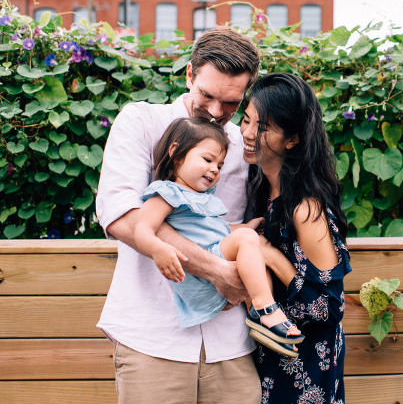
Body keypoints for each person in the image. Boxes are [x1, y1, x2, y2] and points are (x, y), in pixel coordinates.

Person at [96, 27, 262, 404]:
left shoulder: (241, 145)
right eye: (207, 95)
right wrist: (218, 271)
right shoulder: (141, 122)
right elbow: (120, 214)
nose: (217, 112)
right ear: (189, 74)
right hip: (154, 337)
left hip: (231, 343)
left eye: (232, 103)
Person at [134, 116, 304, 357]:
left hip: (214, 263)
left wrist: (244, 227)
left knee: (253, 248)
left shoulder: (199, 197)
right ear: (176, 153)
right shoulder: (166, 192)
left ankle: (261, 315)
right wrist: (157, 249)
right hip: (200, 276)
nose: (214, 169)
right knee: (247, 240)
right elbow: (141, 228)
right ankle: (266, 309)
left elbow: (214, 231)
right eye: (207, 160)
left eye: (220, 165)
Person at [240, 73, 351, 403]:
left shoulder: (305, 208)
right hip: (271, 354)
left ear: (292, 139)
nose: (247, 134)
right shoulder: (262, 190)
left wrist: (270, 255)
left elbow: (328, 308)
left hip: (306, 368)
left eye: (262, 128)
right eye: (246, 120)